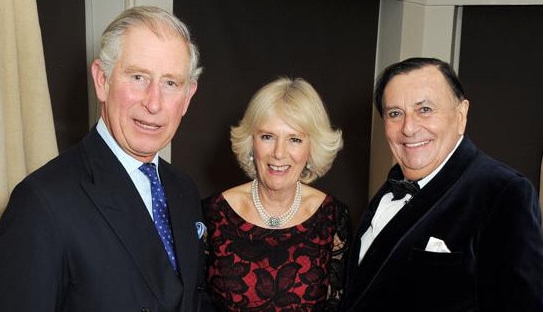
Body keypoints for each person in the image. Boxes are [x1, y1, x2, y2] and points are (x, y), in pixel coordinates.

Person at [0, 6, 211, 311]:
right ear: (102, 80)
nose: (153, 102)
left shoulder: (184, 190)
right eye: (138, 77)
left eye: (170, 83)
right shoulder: (41, 203)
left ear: (187, 97)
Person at [341, 57, 543, 311]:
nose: (409, 128)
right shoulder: (388, 191)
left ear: (461, 114)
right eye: (395, 113)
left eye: (424, 109)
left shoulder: (502, 191)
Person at [203, 77, 350, 311]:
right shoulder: (212, 214)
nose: (279, 153)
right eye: (267, 137)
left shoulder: (332, 217)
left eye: (294, 139)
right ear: (252, 142)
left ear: (312, 148)